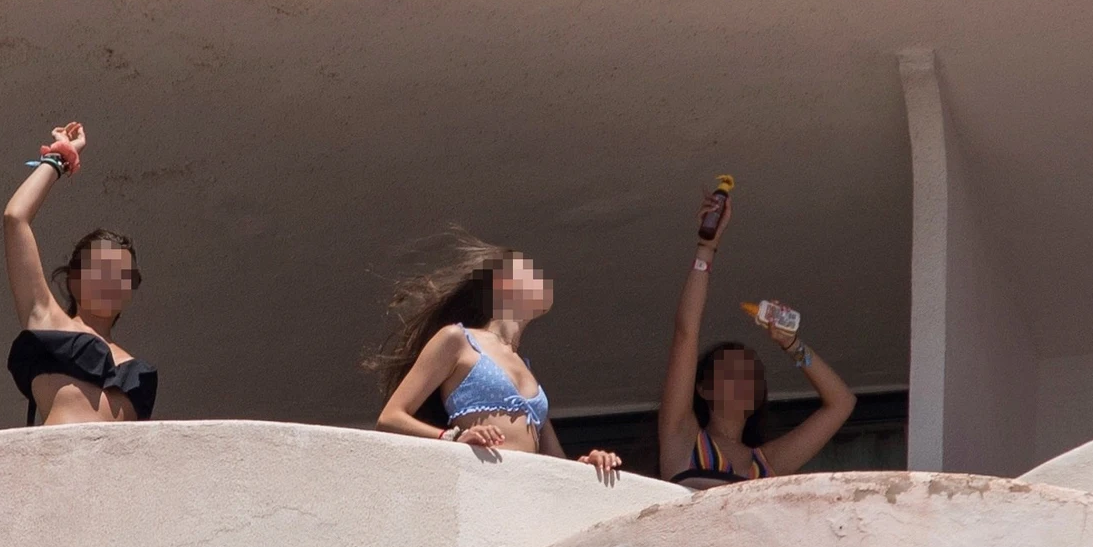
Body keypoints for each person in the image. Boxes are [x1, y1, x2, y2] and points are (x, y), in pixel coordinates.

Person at [365, 233, 622, 482]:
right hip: (481, 481)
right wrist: (452, 437)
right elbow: (390, 418)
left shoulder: (525, 367)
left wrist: (588, 463)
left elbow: (556, 461)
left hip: (524, 489)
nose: (543, 281)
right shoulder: (458, 340)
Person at [658, 190, 855, 488]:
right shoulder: (682, 437)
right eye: (731, 373)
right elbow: (686, 332)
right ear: (702, 388)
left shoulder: (768, 462)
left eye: (753, 374)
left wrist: (792, 344)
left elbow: (842, 402)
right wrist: (706, 248)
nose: (745, 380)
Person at [2, 121, 156, 425]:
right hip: (54, 469)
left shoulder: (136, 368)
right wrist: (60, 158)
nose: (113, 279)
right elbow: (15, 218)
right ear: (74, 279)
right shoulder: (47, 318)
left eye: (123, 272)